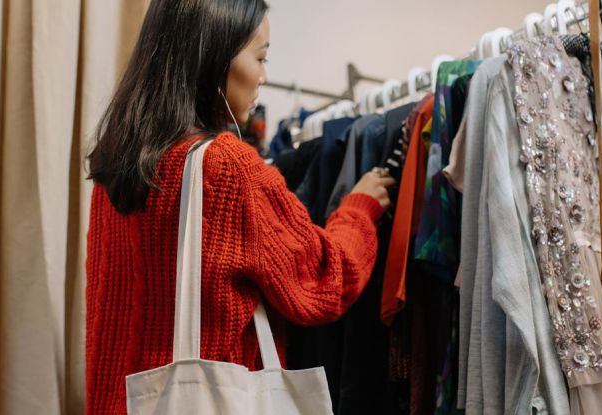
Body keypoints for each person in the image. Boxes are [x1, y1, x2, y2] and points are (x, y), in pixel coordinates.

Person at [84, 0, 394, 412]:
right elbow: (325, 277)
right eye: (260, 57)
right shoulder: (226, 167)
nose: (264, 76)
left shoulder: (115, 166)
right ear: (213, 55)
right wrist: (360, 208)